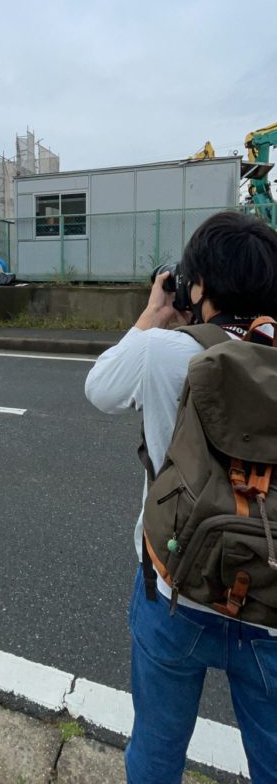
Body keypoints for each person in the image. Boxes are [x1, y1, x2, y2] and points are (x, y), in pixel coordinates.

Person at [85, 211, 277, 784]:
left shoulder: (166, 352)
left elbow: (100, 388)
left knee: (158, 751)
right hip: (270, 603)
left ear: (198, 287)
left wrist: (154, 313)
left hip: (175, 588)